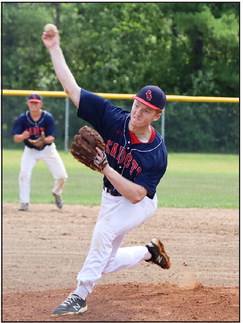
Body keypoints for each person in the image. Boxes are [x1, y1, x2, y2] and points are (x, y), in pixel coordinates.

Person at [42, 24, 171, 316]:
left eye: (146, 110)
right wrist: (54, 48)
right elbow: (71, 90)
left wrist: (106, 168)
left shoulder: (156, 153)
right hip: (111, 197)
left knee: (104, 232)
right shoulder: (113, 117)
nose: (138, 113)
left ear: (156, 115)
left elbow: (138, 195)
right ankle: (149, 252)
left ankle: (80, 294)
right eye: (137, 105)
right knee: (106, 259)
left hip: (138, 203)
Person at [12, 93, 68, 211]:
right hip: (30, 151)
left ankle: (56, 192)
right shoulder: (23, 118)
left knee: (62, 176)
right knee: (24, 174)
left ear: (41, 104)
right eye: (31, 102)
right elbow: (16, 138)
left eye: (36, 103)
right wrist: (22, 136)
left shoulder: (47, 117)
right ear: (28, 103)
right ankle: (24, 202)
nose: (33, 105)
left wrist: (43, 140)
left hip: (48, 150)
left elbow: (52, 137)